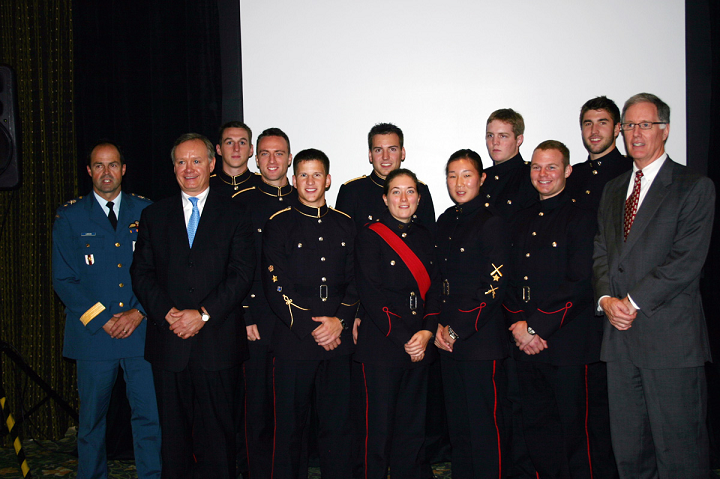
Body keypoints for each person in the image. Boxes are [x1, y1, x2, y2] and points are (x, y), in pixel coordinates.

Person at [594, 93, 715, 478]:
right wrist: (606, 300)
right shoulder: (614, 189)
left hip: (671, 343)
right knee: (630, 453)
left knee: (679, 453)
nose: (636, 133)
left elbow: (686, 261)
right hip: (619, 340)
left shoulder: (693, 186)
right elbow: (601, 250)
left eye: (645, 124)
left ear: (664, 129)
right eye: (629, 125)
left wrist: (630, 301)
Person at [130, 133, 255, 478]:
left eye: (196, 160)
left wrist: (201, 314)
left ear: (212, 164)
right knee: (173, 440)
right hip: (168, 342)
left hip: (217, 343)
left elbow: (242, 274)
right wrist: (167, 313)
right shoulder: (153, 215)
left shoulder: (236, 213)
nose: (189, 169)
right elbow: (141, 273)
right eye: (182, 162)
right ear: (173, 168)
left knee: (219, 437)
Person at [52, 141, 161, 479]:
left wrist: (138, 312)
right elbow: (64, 279)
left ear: (123, 169)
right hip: (94, 337)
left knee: (149, 417)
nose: (106, 172)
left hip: (140, 333)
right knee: (91, 422)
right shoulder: (69, 216)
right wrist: (103, 318)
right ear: (89, 171)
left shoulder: (147, 211)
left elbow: (161, 271)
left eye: (113, 165)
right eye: (99, 166)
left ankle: (152, 475)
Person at [504, 140, 601, 478]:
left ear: (568, 171)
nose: (543, 174)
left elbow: (580, 281)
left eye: (551, 167)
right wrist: (518, 323)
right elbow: (508, 279)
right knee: (537, 429)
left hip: (567, 344)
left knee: (576, 433)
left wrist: (535, 328)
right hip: (526, 345)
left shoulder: (583, 216)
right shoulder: (521, 218)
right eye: (536, 167)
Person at [262, 148, 358, 478]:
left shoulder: (346, 225)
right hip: (294, 342)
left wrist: (338, 322)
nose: (310, 181)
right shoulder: (279, 224)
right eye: (303, 175)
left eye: (317, 174)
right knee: (289, 431)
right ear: (293, 180)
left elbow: (356, 280)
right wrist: (311, 326)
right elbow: (275, 283)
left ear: (328, 180)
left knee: (338, 430)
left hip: (338, 343)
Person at [353, 168, 440, 478]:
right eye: (396, 192)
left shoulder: (427, 237)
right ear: (385, 198)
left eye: (410, 191)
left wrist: (427, 332)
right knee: (376, 432)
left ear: (418, 197)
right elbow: (372, 293)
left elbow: (436, 291)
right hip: (383, 346)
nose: (404, 198)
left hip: (420, 344)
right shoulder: (369, 235)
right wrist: (408, 338)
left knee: (412, 431)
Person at [434, 149, 510, 479]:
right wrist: (438, 325)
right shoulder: (446, 220)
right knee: (459, 428)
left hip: (480, 341)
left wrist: (457, 329)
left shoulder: (492, 222)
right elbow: (437, 278)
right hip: (447, 339)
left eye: (466, 175)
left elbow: (493, 285)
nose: (459, 182)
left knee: (485, 429)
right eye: (452, 175)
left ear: (481, 178)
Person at [233, 127, 299, 478]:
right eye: (265, 153)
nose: (272, 160)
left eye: (279, 153)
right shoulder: (240, 202)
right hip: (256, 318)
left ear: (290, 158)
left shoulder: (304, 198)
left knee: (290, 407)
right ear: (255, 159)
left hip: (294, 321)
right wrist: (244, 314)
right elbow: (235, 265)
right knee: (255, 406)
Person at [336, 122, 435, 232]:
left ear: (402, 153)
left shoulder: (420, 190)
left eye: (392, 149)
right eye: (378, 150)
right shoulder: (351, 191)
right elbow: (342, 241)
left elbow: (428, 239)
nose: (385, 157)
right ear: (370, 155)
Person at [565, 96, 632, 211]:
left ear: (616, 129)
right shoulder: (571, 176)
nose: (594, 131)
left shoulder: (631, 172)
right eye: (588, 124)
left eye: (602, 123)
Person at [483, 108, 537, 219]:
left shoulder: (532, 175)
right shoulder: (481, 178)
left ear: (519, 140)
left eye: (503, 136)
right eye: (490, 135)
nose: (495, 142)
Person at [210, 120, 260, 195]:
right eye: (229, 143)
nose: (236, 148)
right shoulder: (206, 186)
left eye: (242, 143)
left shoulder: (263, 185)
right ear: (219, 149)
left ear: (251, 150)